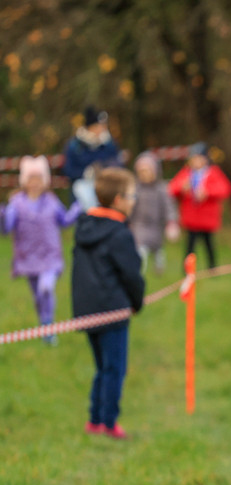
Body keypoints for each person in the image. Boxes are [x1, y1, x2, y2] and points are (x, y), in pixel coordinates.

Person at [72, 167, 145, 440]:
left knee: (102, 367)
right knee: (114, 369)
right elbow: (132, 274)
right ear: (118, 200)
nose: (134, 200)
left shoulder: (84, 227)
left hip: (87, 311)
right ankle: (109, 423)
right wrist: (136, 303)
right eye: (131, 195)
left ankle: (94, 420)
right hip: (112, 312)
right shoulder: (120, 234)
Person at [2, 156, 81, 345]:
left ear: (45, 181)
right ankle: (45, 325)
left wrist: (78, 208)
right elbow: (6, 228)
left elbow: (65, 221)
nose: (35, 183)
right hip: (27, 258)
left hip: (50, 256)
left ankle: (48, 324)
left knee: (46, 288)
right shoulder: (16, 204)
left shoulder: (52, 202)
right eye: (31, 179)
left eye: (38, 179)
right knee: (38, 297)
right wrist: (2, 214)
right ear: (24, 182)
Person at [168, 143, 231, 270]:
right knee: (190, 246)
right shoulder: (186, 174)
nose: (195, 161)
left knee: (209, 245)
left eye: (199, 158)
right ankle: (187, 269)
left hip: (207, 218)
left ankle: (212, 268)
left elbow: (225, 189)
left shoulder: (213, 173)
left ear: (205, 159)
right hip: (191, 218)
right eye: (193, 158)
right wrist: (182, 187)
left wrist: (207, 192)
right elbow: (172, 188)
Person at [62, 106, 122, 209]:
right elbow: (68, 170)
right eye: (98, 126)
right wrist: (86, 172)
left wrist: (105, 170)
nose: (102, 130)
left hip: (106, 191)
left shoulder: (109, 144)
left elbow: (118, 165)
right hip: (81, 194)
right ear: (90, 127)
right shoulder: (75, 146)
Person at [130, 152, 179, 275]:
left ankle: (159, 266)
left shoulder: (161, 189)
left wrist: (171, 222)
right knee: (140, 249)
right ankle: (139, 270)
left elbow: (169, 206)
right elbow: (130, 206)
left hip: (156, 225)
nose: (144, 175)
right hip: (139, 225)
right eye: (141, 172)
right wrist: (127, 221)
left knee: (157, 249)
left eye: (147, 171)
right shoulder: (136, 189)